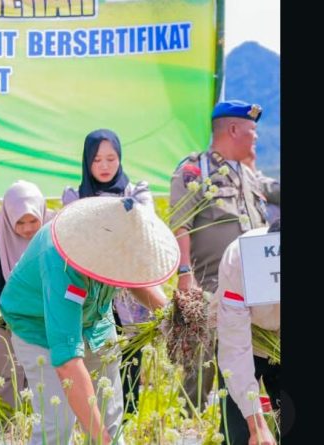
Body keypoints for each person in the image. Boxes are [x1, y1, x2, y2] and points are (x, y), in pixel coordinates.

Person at [0, 196, 172, 445]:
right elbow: (67, 361)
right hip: (38, 327)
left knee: (110, 417)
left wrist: (171, 314)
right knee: (57, 424)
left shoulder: (119, 242)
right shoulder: (61, 262)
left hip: (95, 321)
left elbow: (136, 277)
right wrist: (101, 439)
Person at [169, 100, 270, 402]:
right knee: (200, 372)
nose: (256, 138)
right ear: (234, 129)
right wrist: (186, 275)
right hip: (210, 288)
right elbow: (180, 224)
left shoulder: (248, 174)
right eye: (252, 131)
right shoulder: (193, 170)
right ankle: (188, 430)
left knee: (249, 368)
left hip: (254, 290)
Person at [62, 129, 154, 411]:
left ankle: (125, 420)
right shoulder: (74, 196)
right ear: (87, 162)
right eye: (97, 160)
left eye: (111, 159)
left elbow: (146, 231)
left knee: (129, 358)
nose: (104, 166)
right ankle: (93, 419)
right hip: (91, 293)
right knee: (93, 357)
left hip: (129, 293)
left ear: (120, 159)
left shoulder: (136, 193)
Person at [0, 180, 55, 413]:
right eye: (20, 222)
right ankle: (5, 423)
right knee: (3, 374)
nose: (27, 228)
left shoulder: (56, 229)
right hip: (3, 312)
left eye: (33, 220)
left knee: (47, 379)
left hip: (48, 315)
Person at [214, 220, 280, 445]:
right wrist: (257, 426)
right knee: (239, 435)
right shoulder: (241, 259)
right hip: (249, 338)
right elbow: (234, 350)